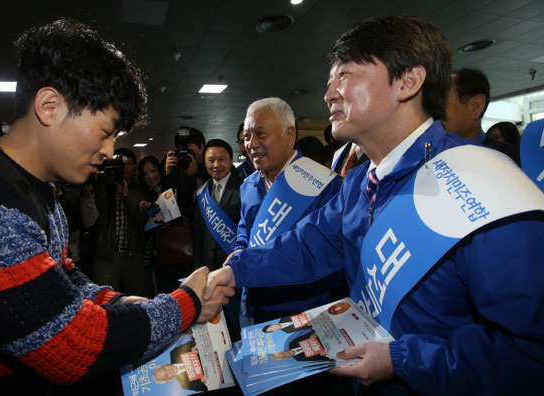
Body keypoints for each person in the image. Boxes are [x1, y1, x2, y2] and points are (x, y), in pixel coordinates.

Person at [205, 15, 544, 395]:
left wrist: (402, 360)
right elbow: (310, 244)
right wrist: (236, 271)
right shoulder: (359, 182)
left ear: (408, 82)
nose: (329, 94)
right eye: (329, 82)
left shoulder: (483, 189)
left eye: (345, 75)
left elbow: (529, 352)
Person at [0, 18, 233, 395]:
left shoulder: (40, 190)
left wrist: (120, 302)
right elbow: (74, 346)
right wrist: (187, 302)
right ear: (49, 106)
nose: (107, 152)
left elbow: (63, 277)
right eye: (105, 133)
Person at [234, 97, 345, 325]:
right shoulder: (248, 185)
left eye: (260, 134)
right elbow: (245, 233)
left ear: (290, 135)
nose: (251, 144)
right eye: (247, 136)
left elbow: (327, 252)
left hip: (308, 312)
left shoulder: (325, 185)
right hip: (258, 307)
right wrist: (237, 254)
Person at [92, 147, 149, 296]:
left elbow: (140, 218)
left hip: (133, 255)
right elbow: (97, 220)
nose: (124, 167)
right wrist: (106, 186)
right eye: (119, 163)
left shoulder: (139, 190)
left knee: (139, 299)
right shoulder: (101, 187)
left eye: (128, 163)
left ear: (134, 167)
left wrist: (125, 194)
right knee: (104, 302)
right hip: (107, 255)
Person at [441, 67, 521, 164]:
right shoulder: (427, 157)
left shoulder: (514, 159)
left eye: (442, 103)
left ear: (476, 106)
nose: (432, 112)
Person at [193, 139, 243, 271]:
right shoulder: (201, 192)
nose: (216, 165)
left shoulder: (245, 187)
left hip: (234, 262)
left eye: (222, 159)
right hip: (208, 263)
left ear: (231, 160)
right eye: (211, 160)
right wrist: (197, 264)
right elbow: (198, 232)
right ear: (204, 162)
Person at [138, 155, 166, 297]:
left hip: (179, 246)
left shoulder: (171, 186)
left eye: (152, 171)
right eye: (145, 174)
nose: (150, 176)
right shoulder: (143, 197)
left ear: (160, 171)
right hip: (157, 253)